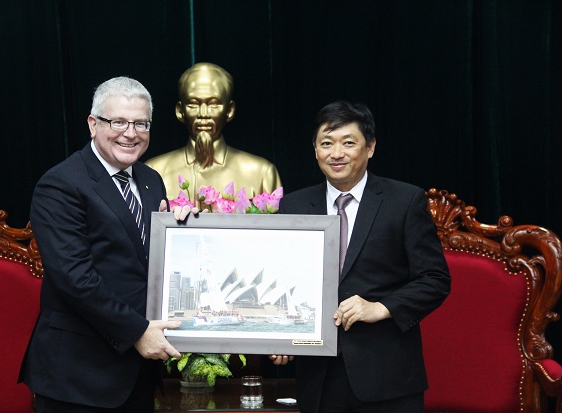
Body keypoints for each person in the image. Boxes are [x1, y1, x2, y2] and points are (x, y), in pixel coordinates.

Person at [18, 76, 196, 413]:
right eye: (118, 122)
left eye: (141, 123)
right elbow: (75, 277)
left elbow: (146, 262)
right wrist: (138, 332)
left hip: (136, 375)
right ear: (93, 124)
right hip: (79, 377)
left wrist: (182, 229)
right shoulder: (60, 184)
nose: (130, 133)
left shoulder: (150, 180)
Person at [272, 100, 451, 412]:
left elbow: (435, 279)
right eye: (326, 143)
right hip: (319, 378)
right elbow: (282, 280)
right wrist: (282, 334)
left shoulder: (404, 201)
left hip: (387, 377)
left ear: (370, 148)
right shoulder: (294, 205)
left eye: (348, 143)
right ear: (315, 150)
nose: (336, 153)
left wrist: (380, 307)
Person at [145, 62, 281, 204]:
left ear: (230, 110)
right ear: (180, 111)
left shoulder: (261, 173)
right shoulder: (154, 172)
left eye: (214, 104)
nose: (203, 114)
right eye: (193, 104)